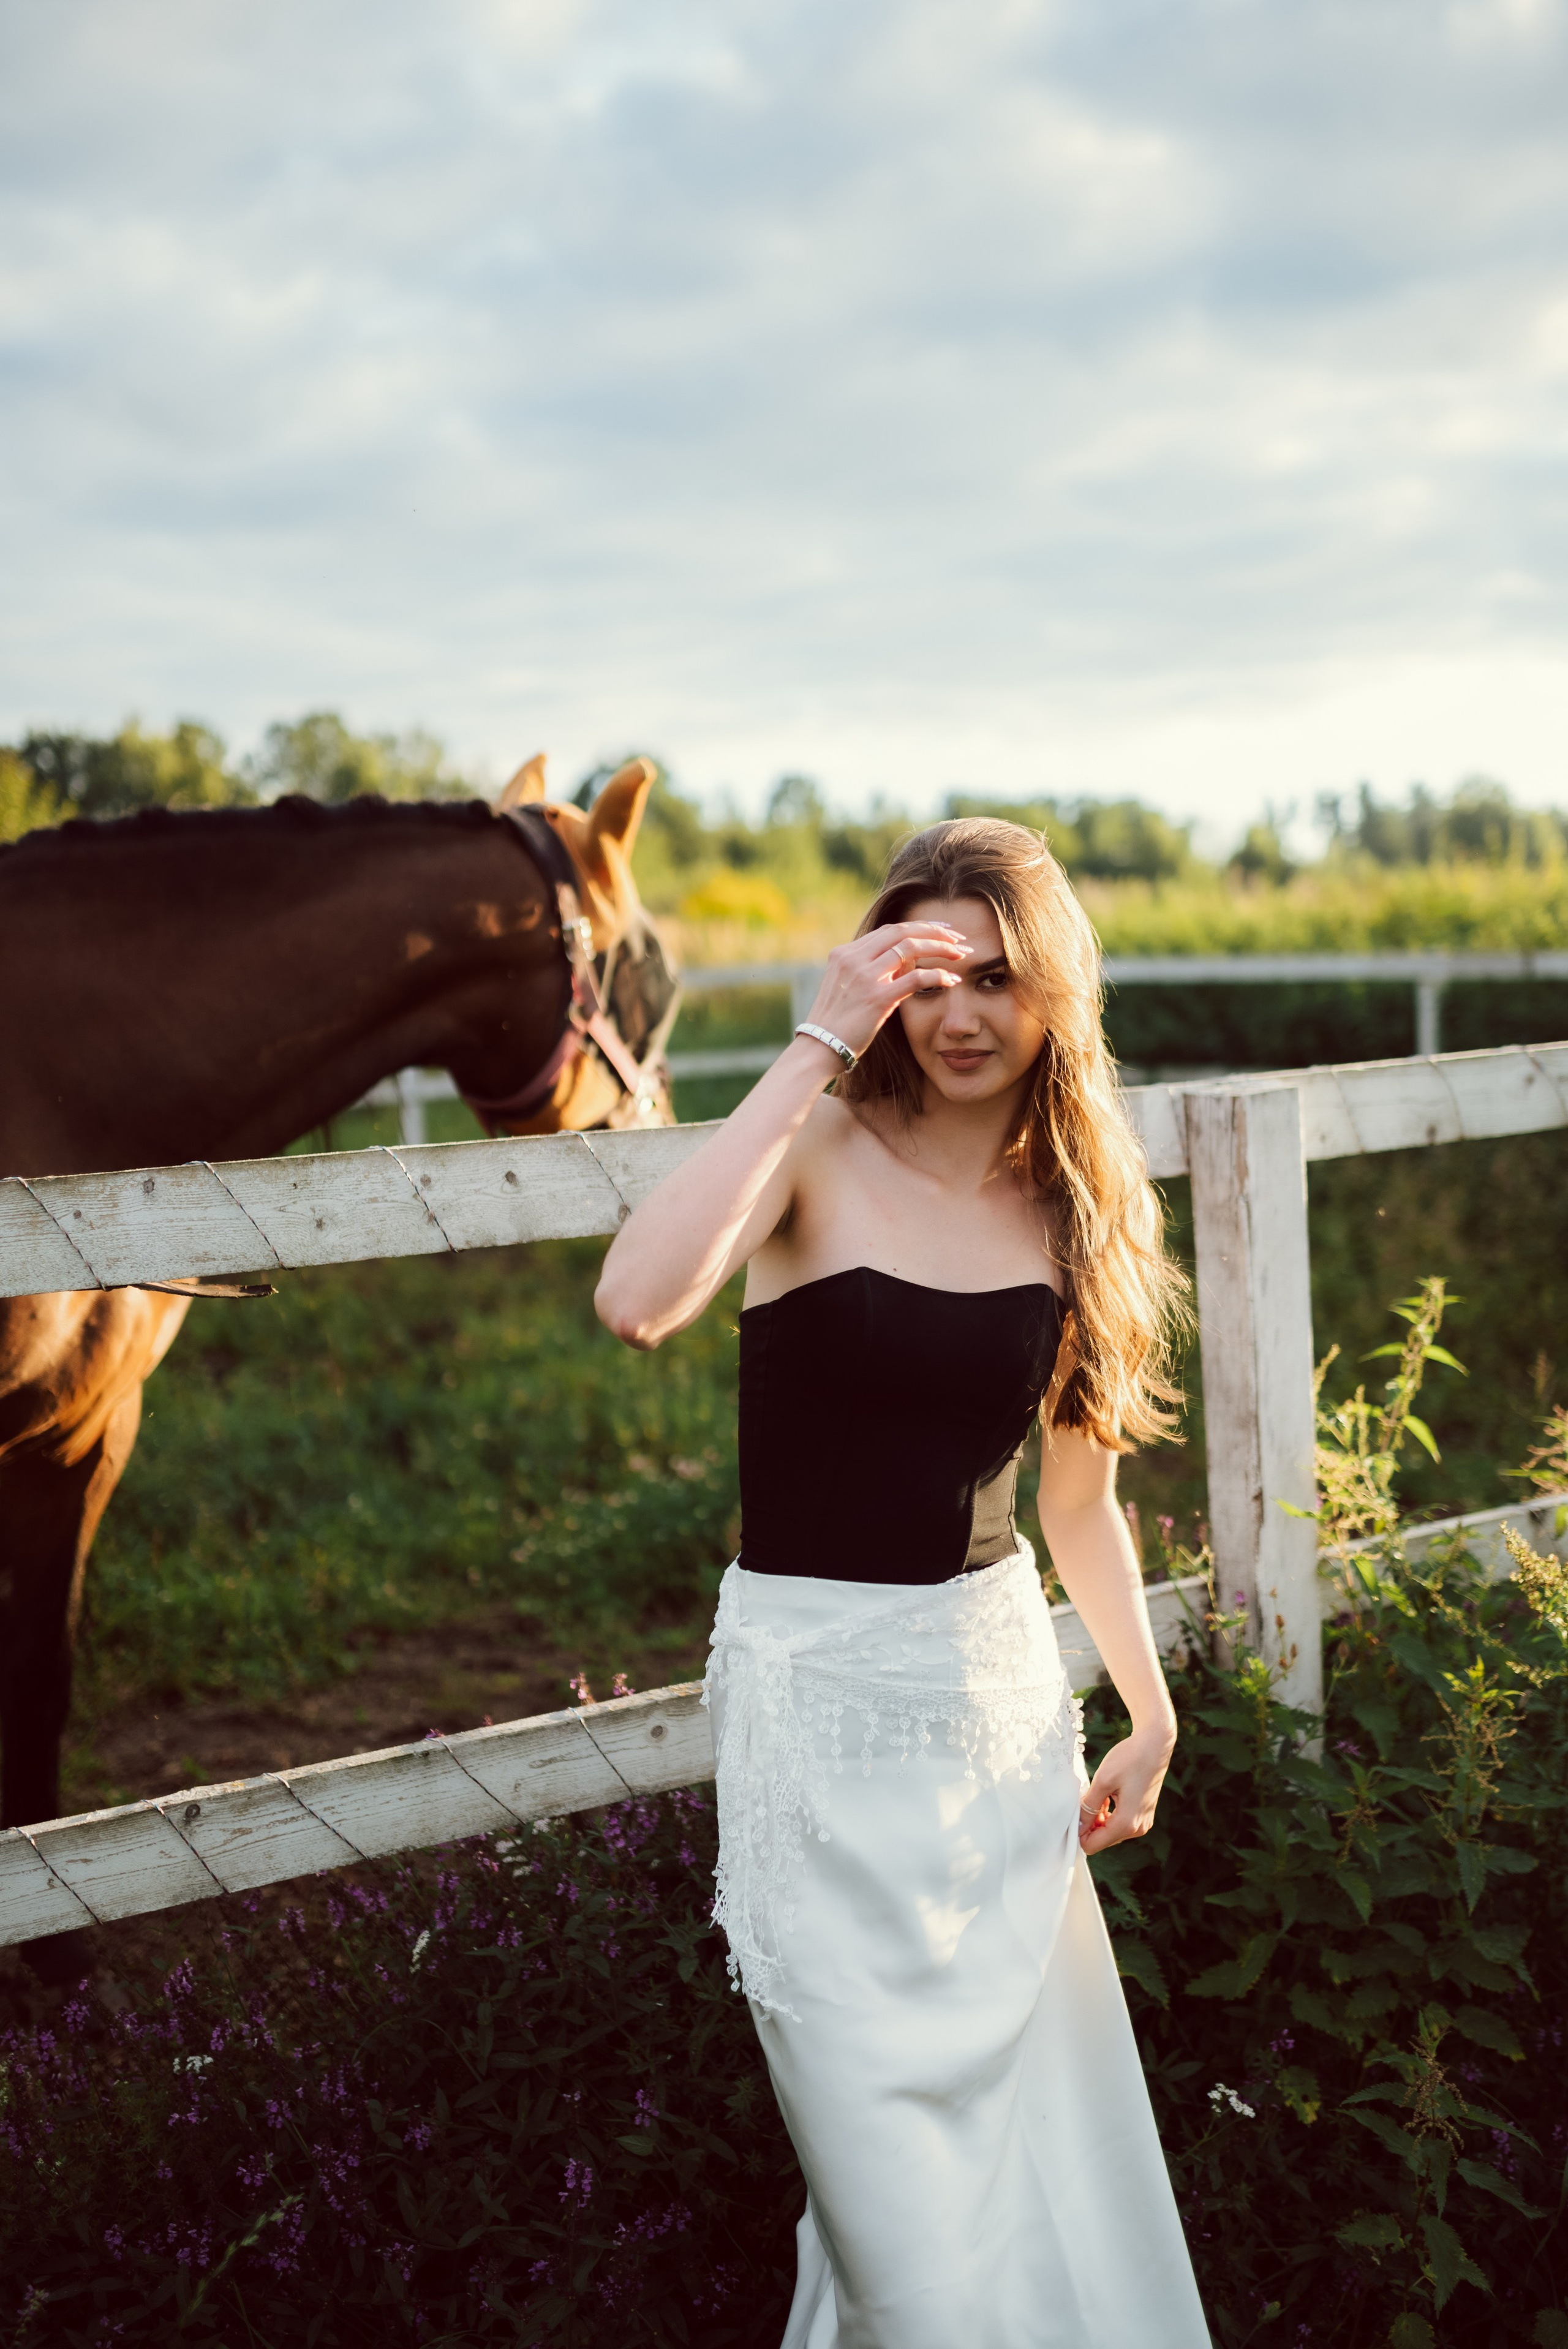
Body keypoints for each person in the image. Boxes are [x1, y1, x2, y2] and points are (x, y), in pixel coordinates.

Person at [595, 817, 1210, 2348]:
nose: (958, 1013)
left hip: (995, 1734)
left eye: (996, 978)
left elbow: (1078, 1501)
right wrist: (815, 1039)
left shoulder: (1074, 1207)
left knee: (1023, 2164)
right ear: (876, 981)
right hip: (814, 1727)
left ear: (1053, 995)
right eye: (923, 974)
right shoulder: (813, 1149)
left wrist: (1146, 1710)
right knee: (901, 2223)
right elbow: (634, 1299)